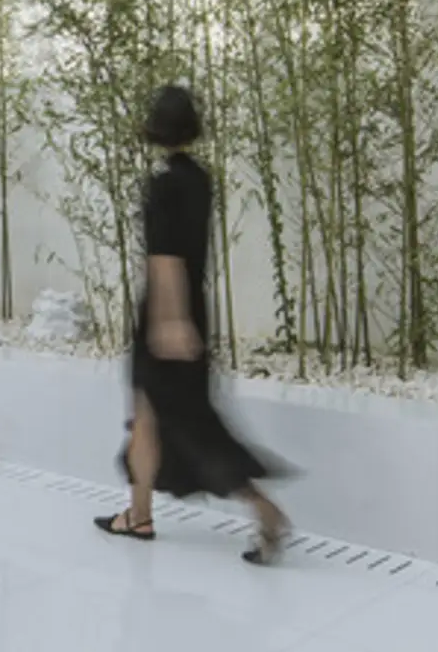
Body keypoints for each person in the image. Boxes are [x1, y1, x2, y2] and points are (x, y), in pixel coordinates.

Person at [95, 84, 292, 564]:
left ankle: (265, 510)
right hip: (191, 308)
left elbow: (165, 260)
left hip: (167, 313)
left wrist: (169, 320)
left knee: (188, 424)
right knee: (148, 414)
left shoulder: (163, 184)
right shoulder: (201, 179)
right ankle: (137, 515)